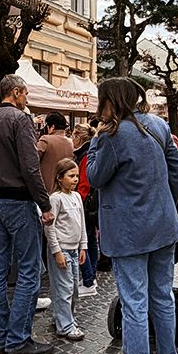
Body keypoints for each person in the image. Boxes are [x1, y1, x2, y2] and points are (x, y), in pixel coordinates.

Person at [87, 77, 178, 354]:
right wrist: (164, 202)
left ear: (111, 101)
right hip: (164, 225)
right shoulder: (157, 125)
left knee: (134, 302)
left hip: (130, 232)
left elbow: (93, 176)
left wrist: (95, 140)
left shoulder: (113, 134)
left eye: (101, 100)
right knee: (163, 295)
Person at [0, 75, 56, 354]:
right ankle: (18, 340)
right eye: (25, 92)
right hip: (17, 200)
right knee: (28, 269)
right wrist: (45, 203)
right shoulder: (20, 119)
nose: (28, 97)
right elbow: (30, 166)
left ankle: (1, 339)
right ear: (15, 92)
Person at [44, 158, 86, 341]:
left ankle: (63, 318)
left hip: (74, 250)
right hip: (61, 251)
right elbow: (49, 227)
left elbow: (82, 223)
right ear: (60, 178)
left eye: (77, 175)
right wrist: (56, 251)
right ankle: (65, 326)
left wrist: (83, 246)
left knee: (74, 288)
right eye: (71, 176)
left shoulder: (76, 197)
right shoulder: (55, 199)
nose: (75, 179)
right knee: (64, 288)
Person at [71, 124, 100, 296]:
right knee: (91, 240)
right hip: (92, 206)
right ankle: (91, 277)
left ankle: (88, 280)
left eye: (74, 136)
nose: (72, 140)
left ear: (80, 138)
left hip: (85, 205)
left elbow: (84, 184)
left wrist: (77, 203)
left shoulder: (84, 155)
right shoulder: (90, 152)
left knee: (84, 242)